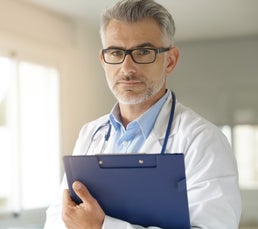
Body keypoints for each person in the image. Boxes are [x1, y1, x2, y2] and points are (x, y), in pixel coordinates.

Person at [44, 0, 242, 228]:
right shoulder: (90, 134)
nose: (127, 68)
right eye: (116, 52)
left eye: (144, 51)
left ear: (170, 60)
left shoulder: (203, 140)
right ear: (103, 61)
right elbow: (58, 216)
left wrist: (102, 226)